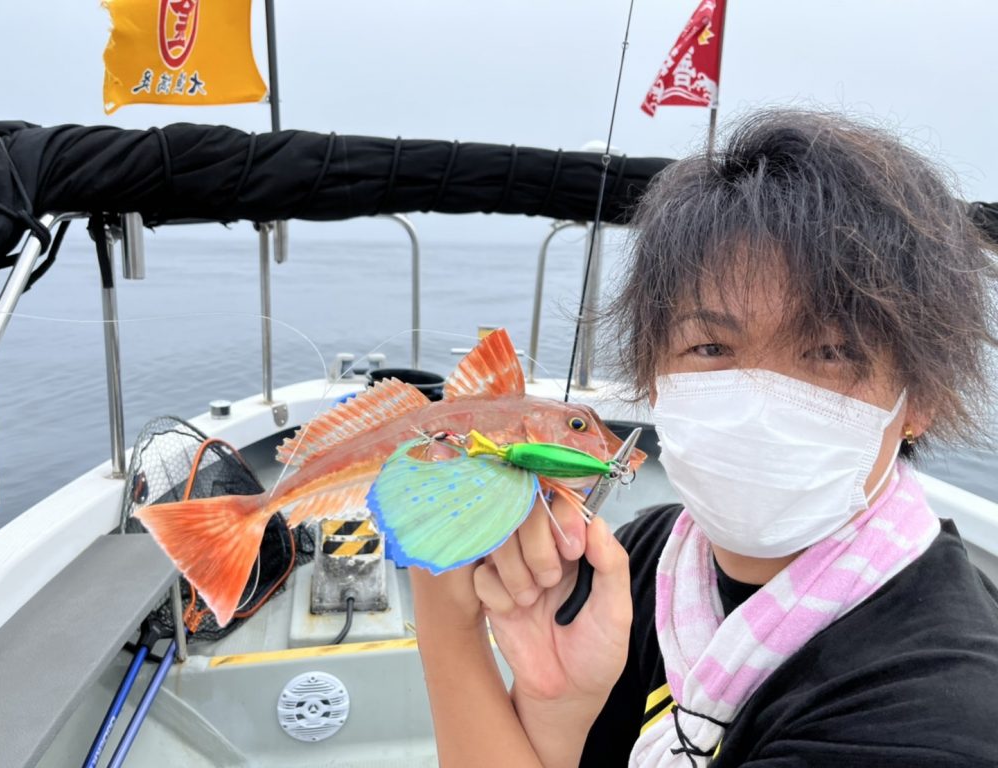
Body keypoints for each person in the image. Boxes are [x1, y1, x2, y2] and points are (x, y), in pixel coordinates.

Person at [410, 110, 998, 767]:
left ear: (920, 398)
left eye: (830, 352)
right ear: (654, 377)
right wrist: (556, 707)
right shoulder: (639, 559)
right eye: (711, 346)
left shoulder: (940, 716)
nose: (759, 406)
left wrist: (448, 625)